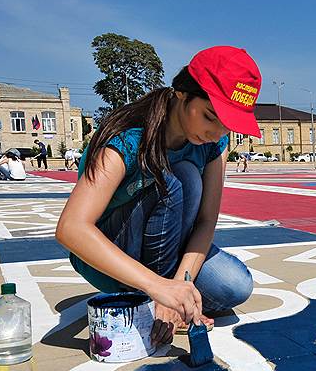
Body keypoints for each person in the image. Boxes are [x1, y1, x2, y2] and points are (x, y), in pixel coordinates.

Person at [55, 46, 259, 346]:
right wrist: (157, 287)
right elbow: (71, 228)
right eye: (209, 116)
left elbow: (205, 222)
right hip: (115, 246)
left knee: (234, 286)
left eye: (228, 124)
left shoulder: (215, 143)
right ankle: (146, 292)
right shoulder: (127, 138)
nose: (217, 132)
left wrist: (179, 286)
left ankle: (157, 296)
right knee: (179, 176)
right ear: (181, 93)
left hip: (170, 243)